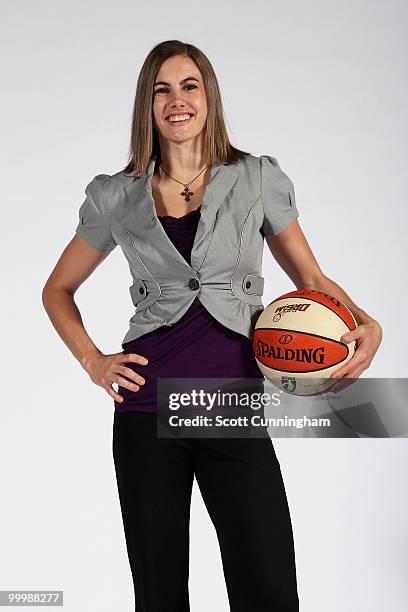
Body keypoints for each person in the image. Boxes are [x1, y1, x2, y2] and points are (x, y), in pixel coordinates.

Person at [42, 40, 383, 611]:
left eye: (189, 85)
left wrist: (367, 322)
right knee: (160, 595)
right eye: (162, 89)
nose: (177, 100)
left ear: (209, 97)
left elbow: (310, 278)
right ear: (147, 105)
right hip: (147, 411)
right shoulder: (114, 196)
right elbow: (57, 289)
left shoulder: (255, 179)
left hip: (231, 405)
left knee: (269, 590)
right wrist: (93, 361)